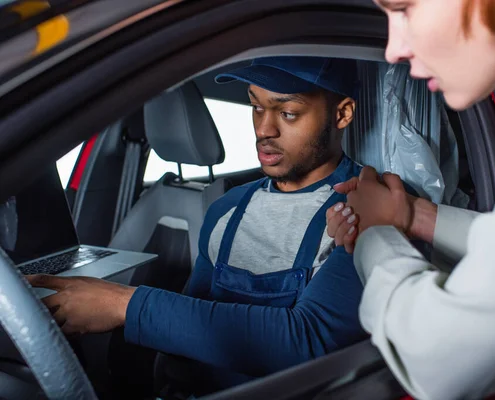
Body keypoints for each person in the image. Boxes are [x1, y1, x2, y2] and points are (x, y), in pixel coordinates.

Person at [28, 57, 368, 393]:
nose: (264, 129)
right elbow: (189, 336)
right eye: (255, 107)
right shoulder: (226, 210)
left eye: (287, 112)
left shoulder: (367, 207)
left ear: (342, 113)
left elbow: (308, 341)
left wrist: (122, 305)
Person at [327, 1, 495, 399]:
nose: (392, 49)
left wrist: (374, 233)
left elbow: (439, 358)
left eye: (403, 8)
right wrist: (411, 215)